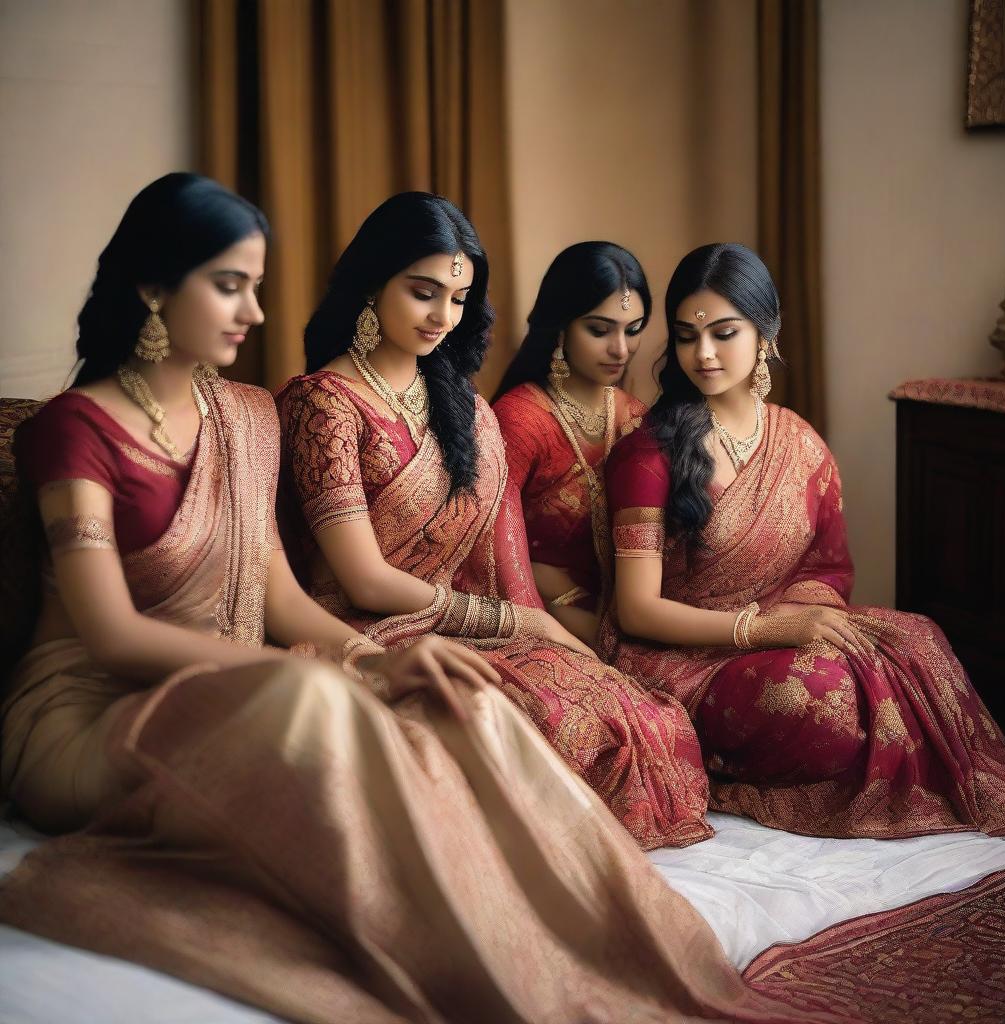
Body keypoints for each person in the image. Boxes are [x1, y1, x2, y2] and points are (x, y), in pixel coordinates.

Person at [0, 178, 818, 1024]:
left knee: (467, 706)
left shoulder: (244, 415)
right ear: (152, 287)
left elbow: (280, 598)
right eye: (229, 285)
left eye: (256, 286)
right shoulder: (76, 428)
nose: (254, 312)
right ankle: (459, 970)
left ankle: (566, 953)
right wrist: (326, 671)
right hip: (89, 712)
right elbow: (112, 635)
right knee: (321, 699)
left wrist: (382, 661)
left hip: (230, 690)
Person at [276, 193, 713, 853]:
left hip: (465, 626)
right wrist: (520, 625)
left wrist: (550, 635)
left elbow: (505, 558)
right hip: (368, 635)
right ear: (373, 282)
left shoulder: (467, 409)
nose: (442, 316)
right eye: (423, 292)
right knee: (513, 723)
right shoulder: (323, 404)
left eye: (458, 299)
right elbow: (363, 580)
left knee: (640, 716)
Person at [601, 241, 1005, 839]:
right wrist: (764, 630)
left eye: (724, 333)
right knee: (823, 701)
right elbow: (636, 610)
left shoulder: (798, 442)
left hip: (780, 631)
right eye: (688, 336)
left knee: (919, 640)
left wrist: (799, 620)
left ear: (765, 333)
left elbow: (825, 570)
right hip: (682, 659)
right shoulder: (649, 455)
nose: (704, 353)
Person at [493, 242, 648, 647]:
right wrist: (573, 617)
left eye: (633, 330)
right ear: (561, 326)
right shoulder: (521, 419)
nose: (621, 349)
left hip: (629, 618)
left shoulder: (636, 418)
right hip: (534, 618)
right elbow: (488, 546)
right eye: (599, 330)